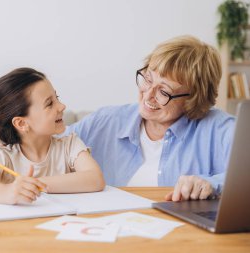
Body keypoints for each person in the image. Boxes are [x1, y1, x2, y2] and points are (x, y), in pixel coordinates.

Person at [63, 35, 235, 201]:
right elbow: (48, 145)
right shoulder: (106, 121)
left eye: (164, 91)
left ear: (194, 99)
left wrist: (212, 184)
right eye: (148, 79)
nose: (148, 95)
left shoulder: (219, 129)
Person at [0, 68, 105, 205]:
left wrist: (35, 184)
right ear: (21, 123)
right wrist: (6, 192)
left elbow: (95, 179)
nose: (61, 106)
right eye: (49, 103)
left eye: (56, 98)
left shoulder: (70, 145)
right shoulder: (4, 157)